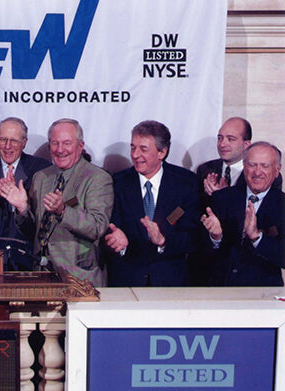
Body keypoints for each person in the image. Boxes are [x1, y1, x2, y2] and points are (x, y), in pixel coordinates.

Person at [0, 118, 113, 286]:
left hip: (80, 279)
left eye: (67, 143)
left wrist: (63, 211)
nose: (60, 150)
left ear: (80, 146)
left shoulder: (97, 178)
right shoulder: (41, 177)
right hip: (41, 276)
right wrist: (22, 209)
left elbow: (97, 227)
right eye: (55, 143)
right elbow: (34, 232)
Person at [104, 120, 200, 286]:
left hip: (170, 281)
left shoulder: (186, 183)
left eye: (143, 149)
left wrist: (163, 240)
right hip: (127, 279)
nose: (135, 155)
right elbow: (108, 228)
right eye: (133, 147)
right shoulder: (118, 182)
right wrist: (117, 242)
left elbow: (193, 236)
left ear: (162, 152)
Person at [0, 117, 50, 270]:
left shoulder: (41, 170)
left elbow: (46, 221)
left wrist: (22, 207)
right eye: (3, 140)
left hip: (27, 259)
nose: (7, 146)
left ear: (24, 142)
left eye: (14, 141)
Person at [201, 142, 284, 286]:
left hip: (263, 290)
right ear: (244, 167)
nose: (257, 172)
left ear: (277, 170)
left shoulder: (282, 204)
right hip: (221, 287)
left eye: (265, 166)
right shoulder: (221, 198)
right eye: (252, 165)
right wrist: (215, 237)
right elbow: (199, 249)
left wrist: (256, 237)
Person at [197, 117, 252, 207]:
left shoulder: (259, 175)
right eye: (220, 138)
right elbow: (196, 208)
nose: (222, 144)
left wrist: (223, 196)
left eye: (230, 139)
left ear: (246, 145)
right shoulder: (204, 170)